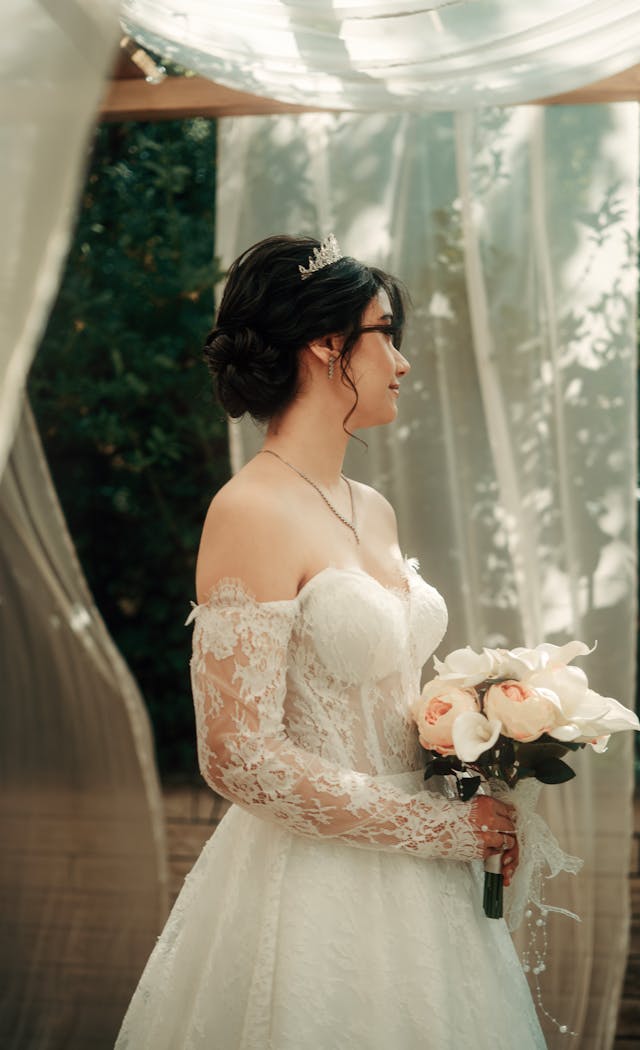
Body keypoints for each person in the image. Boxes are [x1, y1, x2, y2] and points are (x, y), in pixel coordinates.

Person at [115, 234, 546, 1049]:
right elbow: (237, 754)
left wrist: (474, 766)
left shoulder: (371, 506)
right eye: (388, 334)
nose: (403, 364)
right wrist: (435, 829)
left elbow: (384, 694)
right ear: (326, 345)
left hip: (427, 889)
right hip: (312, 886)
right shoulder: (249, 511)